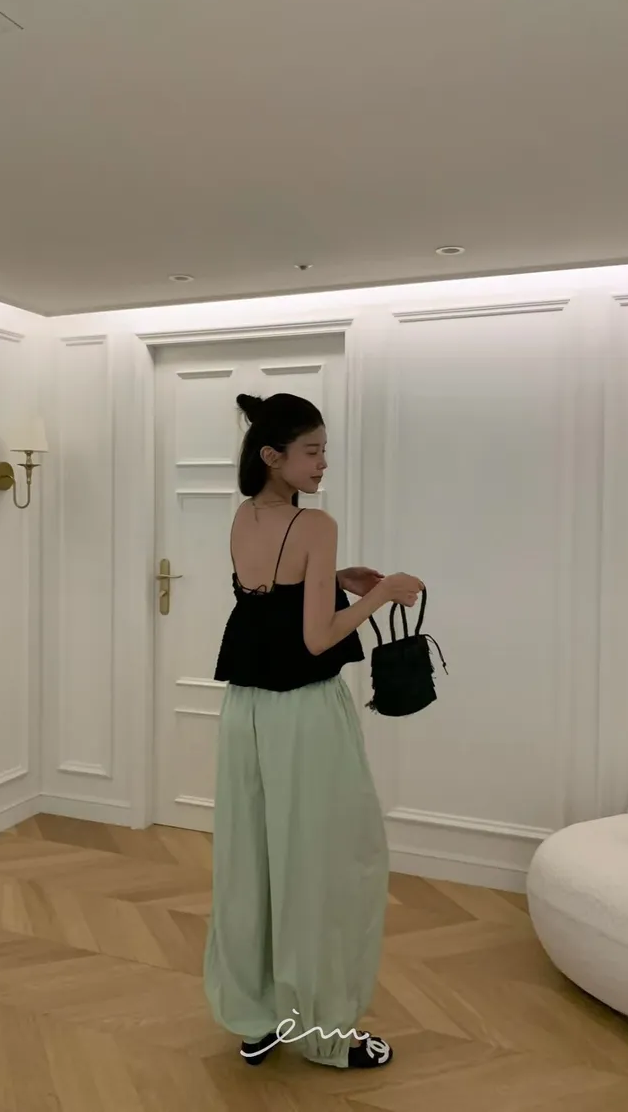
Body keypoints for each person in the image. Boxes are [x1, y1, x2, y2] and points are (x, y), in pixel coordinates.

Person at [203, 391, 423, 1070]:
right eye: (312, 451)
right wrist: (382, 593)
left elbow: (271, 597)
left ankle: (258, 1017)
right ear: (273, 455)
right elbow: (317, 636)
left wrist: (339, 577)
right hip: (305, 713)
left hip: (246, 711)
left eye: (325, 449)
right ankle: (324, 1031)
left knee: (254, 863)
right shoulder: (316, 525)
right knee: (330, 863)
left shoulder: (244, 514)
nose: (324, 462)